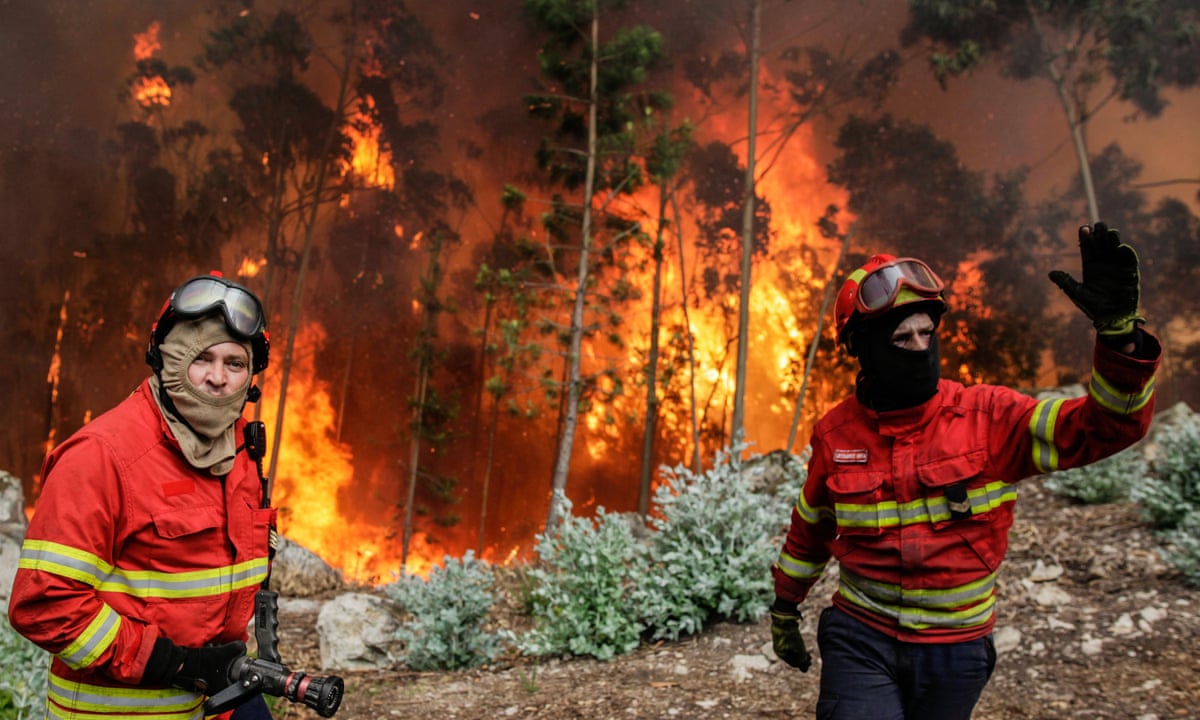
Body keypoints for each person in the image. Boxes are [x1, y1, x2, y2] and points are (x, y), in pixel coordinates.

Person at [769, 222, 1161, 720]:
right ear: (863, 350)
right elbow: (812, 528)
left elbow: (1104, 428)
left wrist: (1119, 339)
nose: (918, 346)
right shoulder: (836, 435)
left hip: (956, 648)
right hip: (860, 637)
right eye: (900, 336)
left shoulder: (991, 417)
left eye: (926, 332)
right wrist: (785, 606)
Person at [9, 272, 278, 720]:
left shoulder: (241, 454)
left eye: (234, 364)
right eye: (203, 359)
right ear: (167, 359)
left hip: (222, 702)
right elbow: (43, 603)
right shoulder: (101, 456)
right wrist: (175, 664)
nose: (218, 379)